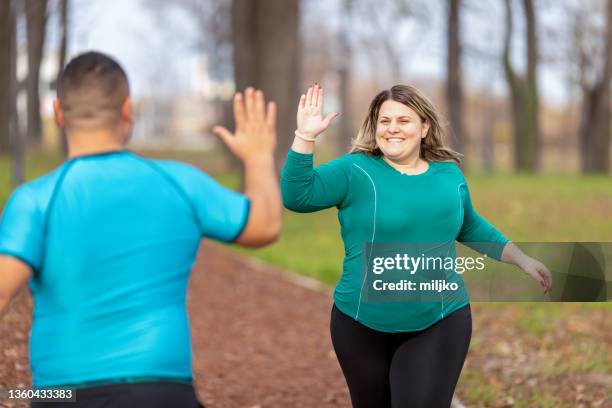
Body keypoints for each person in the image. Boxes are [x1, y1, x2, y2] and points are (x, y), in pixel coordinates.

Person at [0, 51, 281, 407]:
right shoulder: (180, 183)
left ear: (58, 113)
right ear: (128, 110)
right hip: (161, 391)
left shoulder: (35, 200)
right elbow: (265, 225)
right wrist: (257, 158)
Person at [281, 84, 552, 408]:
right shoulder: (354, 170)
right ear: (374, 126)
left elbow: (469, 225)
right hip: (360, 324)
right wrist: (305, 136)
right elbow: (298, 197)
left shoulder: (448, 175)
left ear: (424, 127)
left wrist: (520, 258)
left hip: (439, 320)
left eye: (403, 120)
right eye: (384, 121)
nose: (393, 128)